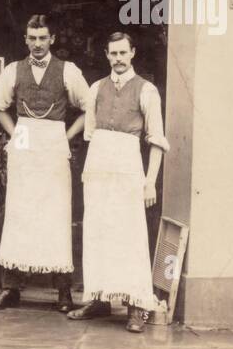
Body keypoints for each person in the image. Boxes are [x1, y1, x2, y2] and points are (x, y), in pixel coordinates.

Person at [0, 14, 90, 313]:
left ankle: (64, 292)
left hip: (54, 141)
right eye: (32, 38)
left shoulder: (68, 71)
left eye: (43, 38)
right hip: (24, 139)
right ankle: (11, 288)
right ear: (26, 40)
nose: (37, 44)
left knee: (56, 215)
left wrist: (66, 136)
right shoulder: (13, 71)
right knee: (20, 212)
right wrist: (15, 134)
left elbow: (87, 107)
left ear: (52, 39)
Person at [68, 32, 168, 333]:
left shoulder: (147, 90)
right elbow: (91, 133)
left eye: (123, 53)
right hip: (99, 168)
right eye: (113, 54)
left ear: (133, 53)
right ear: (106, 55)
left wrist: (150, 182)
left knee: (130, 236)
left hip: (128, 169)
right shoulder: (97, 88)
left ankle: (136, 307)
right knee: (98, 233)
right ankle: (99, 299)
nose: (118, 59)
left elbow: (157, 140)